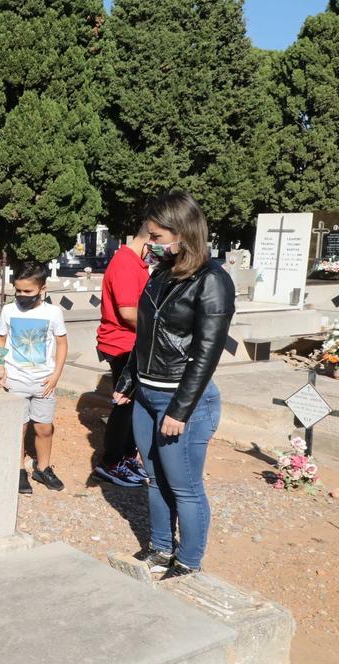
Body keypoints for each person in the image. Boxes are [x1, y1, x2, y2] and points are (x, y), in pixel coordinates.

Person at [112, 191, 235, 580]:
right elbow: (146, 335)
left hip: (182, 401)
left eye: (157, 237)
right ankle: (162, 549)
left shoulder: (213, 282)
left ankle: (188, 561)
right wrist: (129, 380)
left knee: (184, 486)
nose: (150, 245)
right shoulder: (161, 274)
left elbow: (206, 353)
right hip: (146, 396)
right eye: (150, 236)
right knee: (154, 479)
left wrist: (180, 410)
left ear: (183, 233)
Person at [0, 262, 68, 494]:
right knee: (19, 427)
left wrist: (56, 375)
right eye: (18, 290)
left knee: (44, 427)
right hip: (15, 379)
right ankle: (18, 470)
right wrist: (0, 367)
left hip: (43, 381)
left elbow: (61, 343)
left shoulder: (52, 313)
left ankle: (43, 468)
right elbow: (0, 340)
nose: (22, 295)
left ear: (42, 289)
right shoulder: (9, 310)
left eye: (28, 291)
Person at [93, 221, 152, 488]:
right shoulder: (126, 263)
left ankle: (127, 456)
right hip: (122, 345)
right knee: (125, 406)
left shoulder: (137, 263)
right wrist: (160, 329)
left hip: (132, 344)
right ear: (150, 238)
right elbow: (128, 312)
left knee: (134, 407)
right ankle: (111, 461)